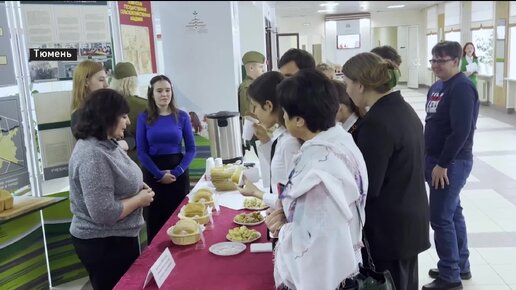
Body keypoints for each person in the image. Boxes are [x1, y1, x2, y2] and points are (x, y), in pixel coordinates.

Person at [266, 69, 368, 290]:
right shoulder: (341, 142)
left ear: (299, 120)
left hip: (327, 275)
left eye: (285, 112)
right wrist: (287, 209)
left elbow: (313, 244)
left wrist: (283, 227)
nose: (282, 117)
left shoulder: (319, 173)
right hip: (346, 259)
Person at [342, 52, 430, 290]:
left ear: (360, 85)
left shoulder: (377, 122)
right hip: (409, 219)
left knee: (391, 284)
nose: (347, 91)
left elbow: (368, 186)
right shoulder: (403, 110)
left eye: (347, 84)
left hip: (391, 228)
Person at [69, 88, 155, 290]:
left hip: (118, 239)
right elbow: (103, 212)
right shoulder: (92, 155)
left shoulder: (107, 143)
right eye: (124, 116)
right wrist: (139, 200)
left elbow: (118, 177)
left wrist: (137, 188)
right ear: (107, 117)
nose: (129, 122)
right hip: (103, 244)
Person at [423, 41, 479, 290]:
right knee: (453, 212)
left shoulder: (462, 87)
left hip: (452, 162)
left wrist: (443, 164)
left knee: (440, 218)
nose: (436, 65)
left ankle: (450, 275)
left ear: (456, 61)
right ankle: (459, 264)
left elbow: (461, 131)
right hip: (436, 159)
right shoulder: (437, 86)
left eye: (441, 61)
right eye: (433, 60)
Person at [136, 75, 196, 243]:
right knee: (155, 221)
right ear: (152, 94)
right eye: (159, 91)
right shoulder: (144, 117)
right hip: (153, 173)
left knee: (180, 219)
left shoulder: (182, 116)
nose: (164, 94)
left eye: (168, 90)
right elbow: (141, 151)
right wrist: (159, 174)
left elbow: (191, 149)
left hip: (178, 171)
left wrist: (177, 171)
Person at [237, 71, 300, 209]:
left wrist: (256, 192)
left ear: (268, 106)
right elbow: (278, 167)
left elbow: (291, 200)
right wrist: (265, 141)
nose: (254, 111)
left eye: (255, 106)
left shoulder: (290, 141)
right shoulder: (282, 134)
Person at [110, 62, 147, 162]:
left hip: (115, 158)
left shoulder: (106, 105)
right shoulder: (145, 105)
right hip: (143, 160)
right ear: (135, 81)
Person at [70, 60, 108, 134]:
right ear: (86, 82)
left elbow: (130, 138)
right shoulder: (79, 116)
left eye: (106, 79)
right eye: (101, 80)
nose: (106, 85)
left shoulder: (106, 107)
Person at [238, 51, 266, 117]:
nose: (263, 70)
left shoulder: (255, 85)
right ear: (251, 68)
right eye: (260, 67)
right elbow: (247, 114)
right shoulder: (247, 87)